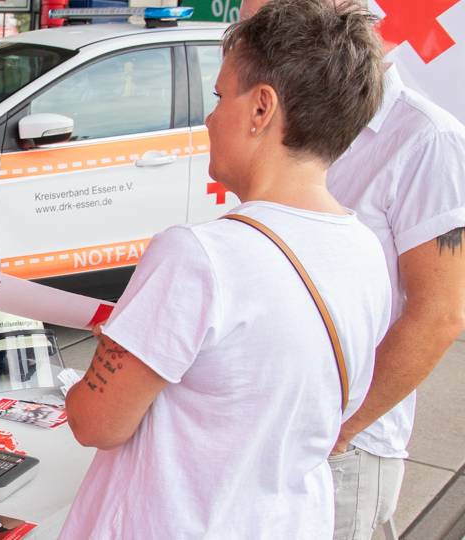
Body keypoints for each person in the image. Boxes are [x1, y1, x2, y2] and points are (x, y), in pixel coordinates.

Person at [58, 0, 390, 537]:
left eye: (219, 96)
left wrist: (115, 345)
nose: (210, 116)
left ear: (262, 109)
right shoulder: (365, 250)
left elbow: (94, 422)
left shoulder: (199, 255)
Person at [239, 0, 465, 536]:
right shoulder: (287, 121)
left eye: (269, 31)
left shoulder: (427, 140)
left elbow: (440, 314)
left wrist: (342, 429)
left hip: (342, 450)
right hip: (266, 431)